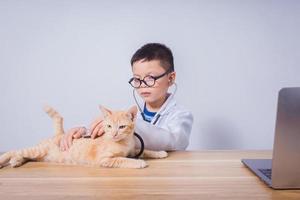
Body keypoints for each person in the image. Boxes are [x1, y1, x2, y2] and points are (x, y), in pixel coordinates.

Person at [59, 43, 193, 151]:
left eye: (150, 78)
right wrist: (84, 131)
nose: (143, 85)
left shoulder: (181, 115)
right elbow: (111, 133)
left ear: (170, 78)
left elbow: (174, 142)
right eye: (137, 79)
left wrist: (131, 126)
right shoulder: (127, 114)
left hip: (166, 177)